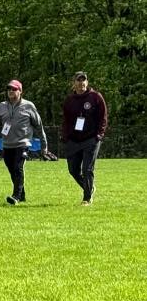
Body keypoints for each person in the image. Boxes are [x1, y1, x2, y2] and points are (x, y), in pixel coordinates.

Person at [0, 80, 48, 205]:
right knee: (11, 169)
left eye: (14, 89)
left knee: (18, 168)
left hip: (23, 143)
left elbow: (39, 126)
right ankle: (22, 194)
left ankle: (16, 196)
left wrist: (44, 144)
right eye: (9, 89)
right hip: (7, 144)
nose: (11, 91)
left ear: (20, 91)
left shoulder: (29, 106)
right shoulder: (1, 106)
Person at [61, 71, 108, 206]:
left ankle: (87, 198)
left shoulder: (95, 97)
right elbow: (66, 120)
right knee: (73, 170)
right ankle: (89, 187)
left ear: (87, 82)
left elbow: (103, 117)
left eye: (84, 80)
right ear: (73, 83)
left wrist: (99, 134)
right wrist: (65, 136)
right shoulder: (69, 101)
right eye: (78, 80)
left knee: (87, 169)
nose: (81, 83)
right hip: (74, 140)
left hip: (91, 138)